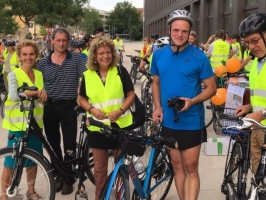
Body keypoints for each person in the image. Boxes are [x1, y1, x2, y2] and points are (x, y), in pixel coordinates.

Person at [150, 9, 216, 200]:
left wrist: (193, 100)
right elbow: (156, 82)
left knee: (190, 169)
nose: (180, 34)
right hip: (168, 121)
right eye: (176, 30)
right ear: (169, 29)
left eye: (184, 31)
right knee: (177, 168)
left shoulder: (199, 56)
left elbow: (212, 88)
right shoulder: (159, 55)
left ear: (190, 33)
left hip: (191, 121)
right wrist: (157, 107)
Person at [78, 36, 135, 200]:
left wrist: (121, 110)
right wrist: (91, 109)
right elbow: (81, 99)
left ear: (113, 53)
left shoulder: (119, 71)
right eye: (101, 53)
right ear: (95, 56)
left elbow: (130, 95)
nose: (105, 56)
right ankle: (100, 197)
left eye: (108, 52)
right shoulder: (87, 75)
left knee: (120, 169)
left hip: (120, 127)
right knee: (100, 169)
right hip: (97, 129)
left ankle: (120, 197)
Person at [38, 27, 87, 195]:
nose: (61, 43)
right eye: (58, 40)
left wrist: (81, 88)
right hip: (50, 107)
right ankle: (58, 174)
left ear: (68, 41)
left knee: (69, 144)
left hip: (68, 107)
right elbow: (39, 82)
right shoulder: (44, 62)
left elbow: (86, 77)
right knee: (53, 144)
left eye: (64, 40)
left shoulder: (76, 59)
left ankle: (68, 178)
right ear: (52, 41)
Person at [1, 39, 47, 200]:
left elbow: (41, 98)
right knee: (11, 162)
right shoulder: (14, 74)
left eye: (32, 54)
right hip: (17, 125)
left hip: (34, 124)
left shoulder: (40, 75)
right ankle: (3, 194)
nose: (28, 57)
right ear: (20, 56)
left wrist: (43, 95)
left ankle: (31, 190)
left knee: (33, 160)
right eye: (25, 54)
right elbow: (13, 95)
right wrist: (35, 92)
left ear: (36, 55)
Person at [235, 13, 266, 174]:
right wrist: (249, 106)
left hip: (262, 123)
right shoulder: (258, 62)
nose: (251, 46)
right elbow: (261, 95)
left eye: (255, 40)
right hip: (258, 128)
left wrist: (263, 113)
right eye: (247, 43)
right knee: (257, 177)